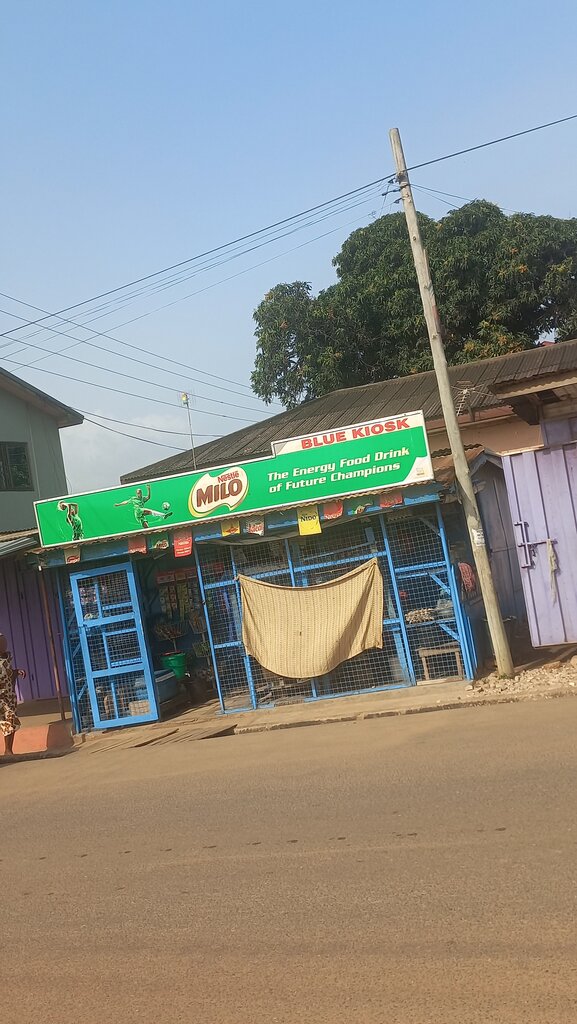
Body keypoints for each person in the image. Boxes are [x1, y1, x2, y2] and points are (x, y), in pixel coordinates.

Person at [0, 634, 26, 756]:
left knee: (10, 720)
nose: (3, 645)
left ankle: (8, 750)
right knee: (6, 720)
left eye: (4, 642)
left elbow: (8, 674)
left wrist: (17, 672)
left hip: (9, 696)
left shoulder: (7, 658)